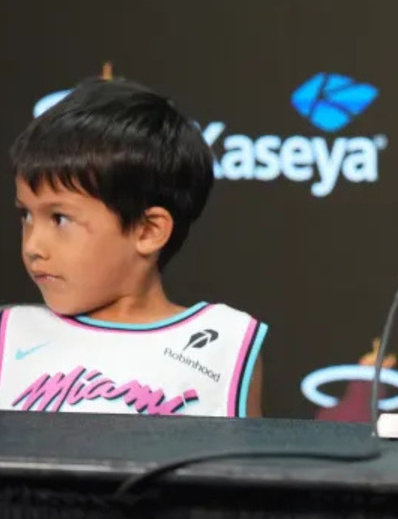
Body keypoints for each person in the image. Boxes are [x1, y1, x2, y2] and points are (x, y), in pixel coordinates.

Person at [1, 78, 267, 417]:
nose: (33, 245)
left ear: (148, 230)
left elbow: (238, 454)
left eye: (60, 219)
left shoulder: (223, 345)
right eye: (26, 215)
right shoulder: (9, 334)